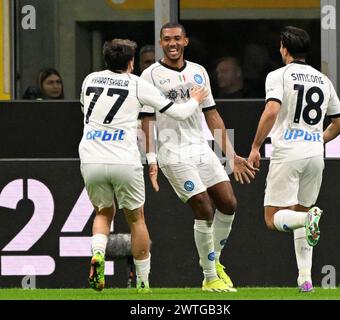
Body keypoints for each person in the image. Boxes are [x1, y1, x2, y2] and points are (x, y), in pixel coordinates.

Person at [79, 38, 208, 293]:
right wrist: (195, 99)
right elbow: (180, 113)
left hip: (91, 156)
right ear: (130, 62)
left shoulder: (89, 80)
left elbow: (85, 112)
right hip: (124, 159)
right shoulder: (138, 84)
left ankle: (97, 254)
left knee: (103, 212)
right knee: (137, 219)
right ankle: (143, 283)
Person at [140, 22, 257, 292]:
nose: (172, 43)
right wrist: (151, 157)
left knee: (228, 203)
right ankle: (209, 276)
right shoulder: (150, 75)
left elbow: (212, 115)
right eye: (167, 39)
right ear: (161, 43)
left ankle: (214, 262)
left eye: (177, 39)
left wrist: (231, 155)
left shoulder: (199, 72)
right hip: (172, 152)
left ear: (186, 42)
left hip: (200, 147)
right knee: (204, 208)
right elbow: (146, 119)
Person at [247, 26, 340, 292]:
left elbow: (271, 110)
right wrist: (318, 140)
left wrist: (256, 146)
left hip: (288, 153)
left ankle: (307, 220)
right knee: (302, 212)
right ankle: (305, 279)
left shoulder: (278, 75)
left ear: (284, 48)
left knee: (274, 218)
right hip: (315, 155)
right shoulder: (323, 80)